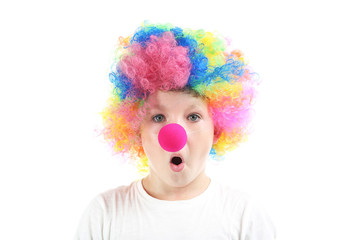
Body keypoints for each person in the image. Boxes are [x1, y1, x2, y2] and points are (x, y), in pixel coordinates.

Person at [74, 21, 276, 240]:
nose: (174, 136)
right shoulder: (105, 214)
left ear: (216, 129)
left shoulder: (245, 217)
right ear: (136, 130)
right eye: (158, 117)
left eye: (193, 116)